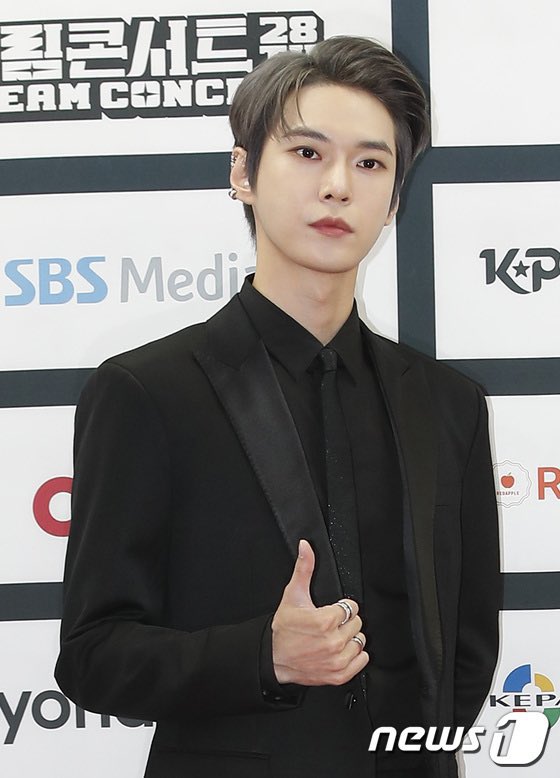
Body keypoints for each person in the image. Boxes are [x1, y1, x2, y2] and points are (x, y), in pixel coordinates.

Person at [55, 36, 501, 778]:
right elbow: (92, 655)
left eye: (370, 164)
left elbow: (466, 644)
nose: (338, 186)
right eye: (306, 153)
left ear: (394, 199)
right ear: (243, 173)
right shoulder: (148, 392)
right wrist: (263, 656)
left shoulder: (448, 405)